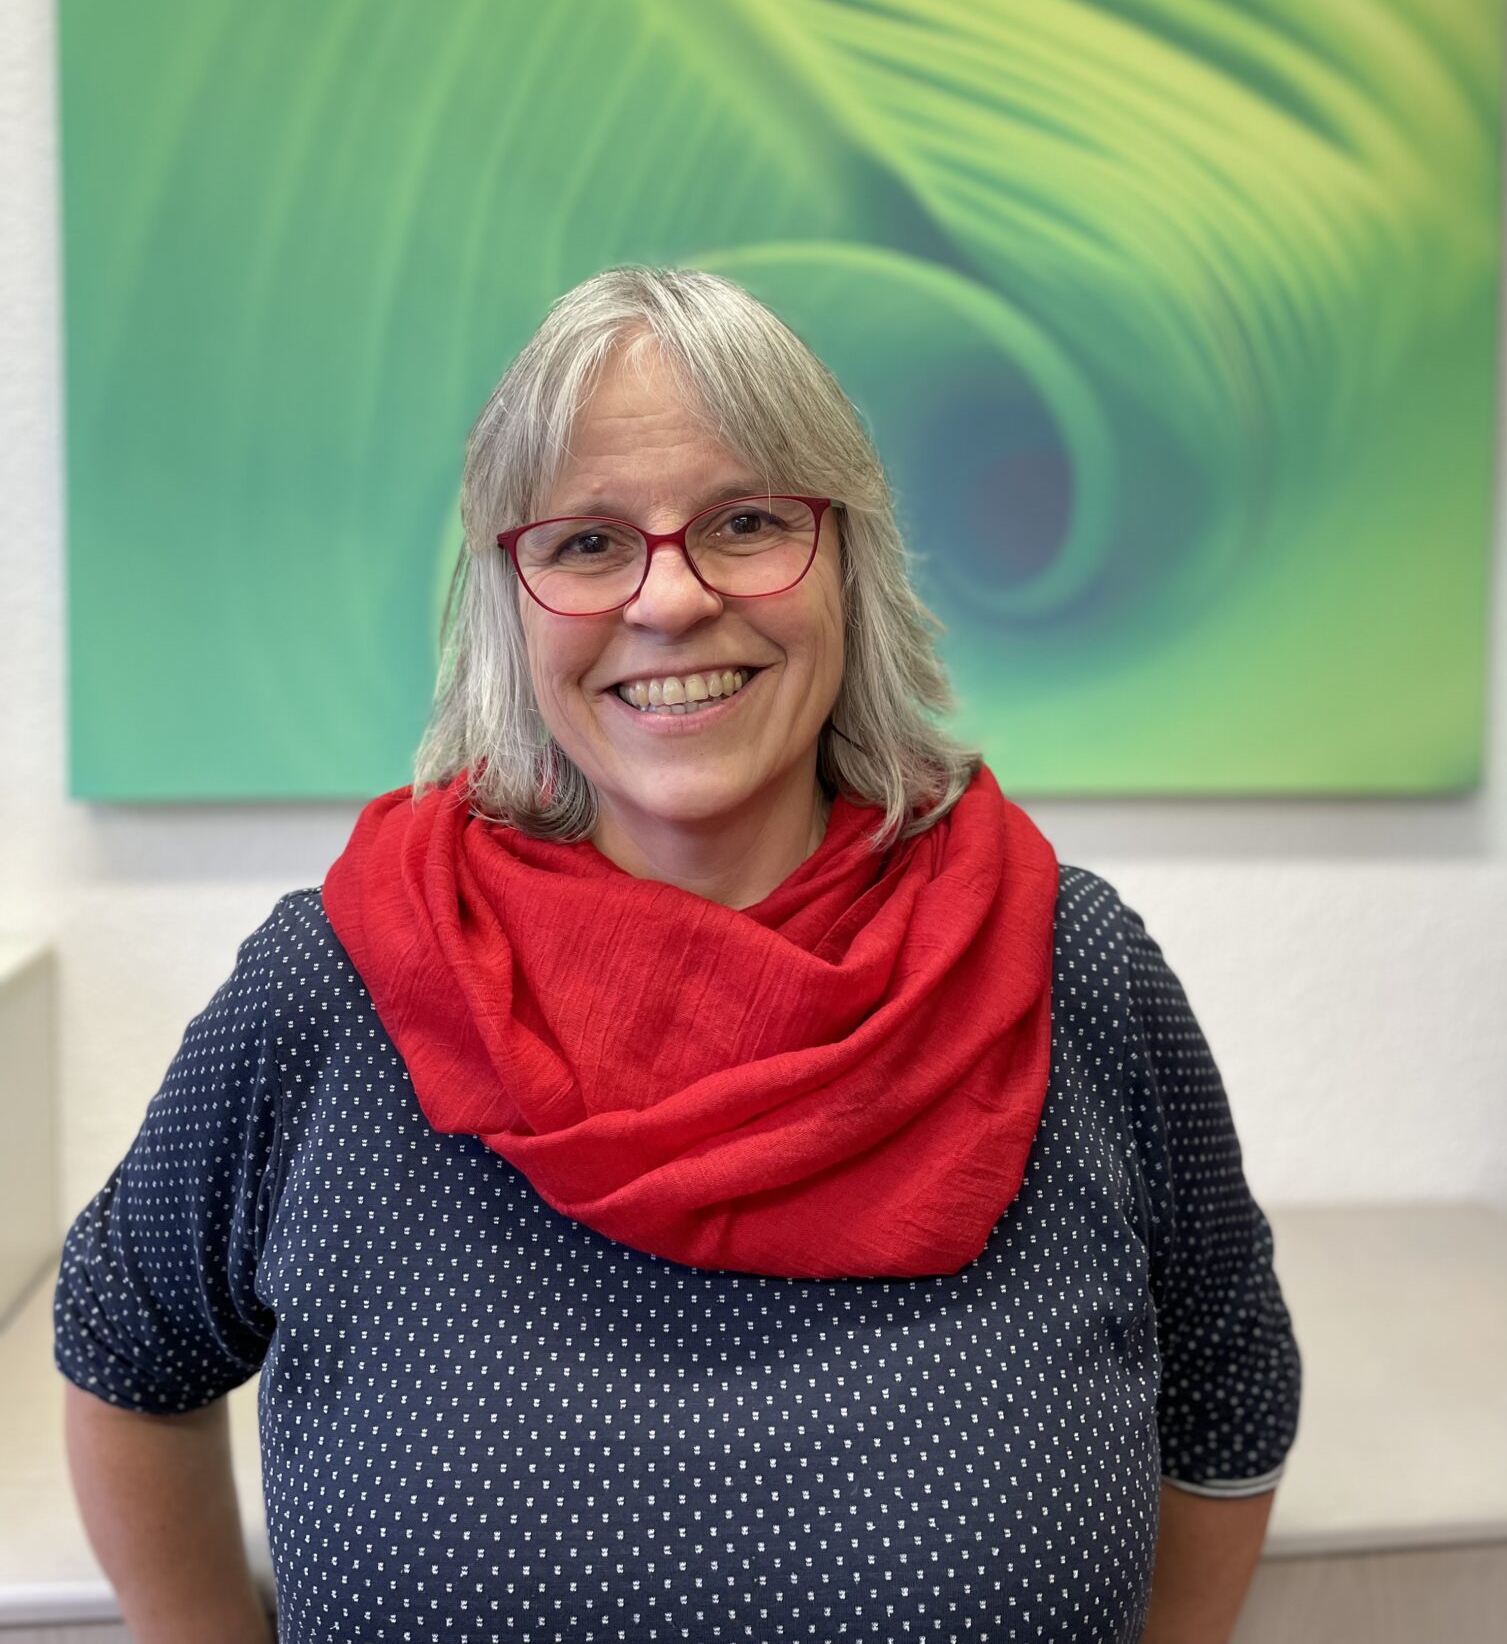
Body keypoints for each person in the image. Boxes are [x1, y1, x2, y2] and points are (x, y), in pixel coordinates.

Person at [56, 265, 1301, 1644]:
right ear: (510, 597)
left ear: (849, 560)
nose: (669, 599)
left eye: (747, 522)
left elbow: (1230, 1399)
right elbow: (122, 1349)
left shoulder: (1065, 969)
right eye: (588, 542)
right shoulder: (342, 986)